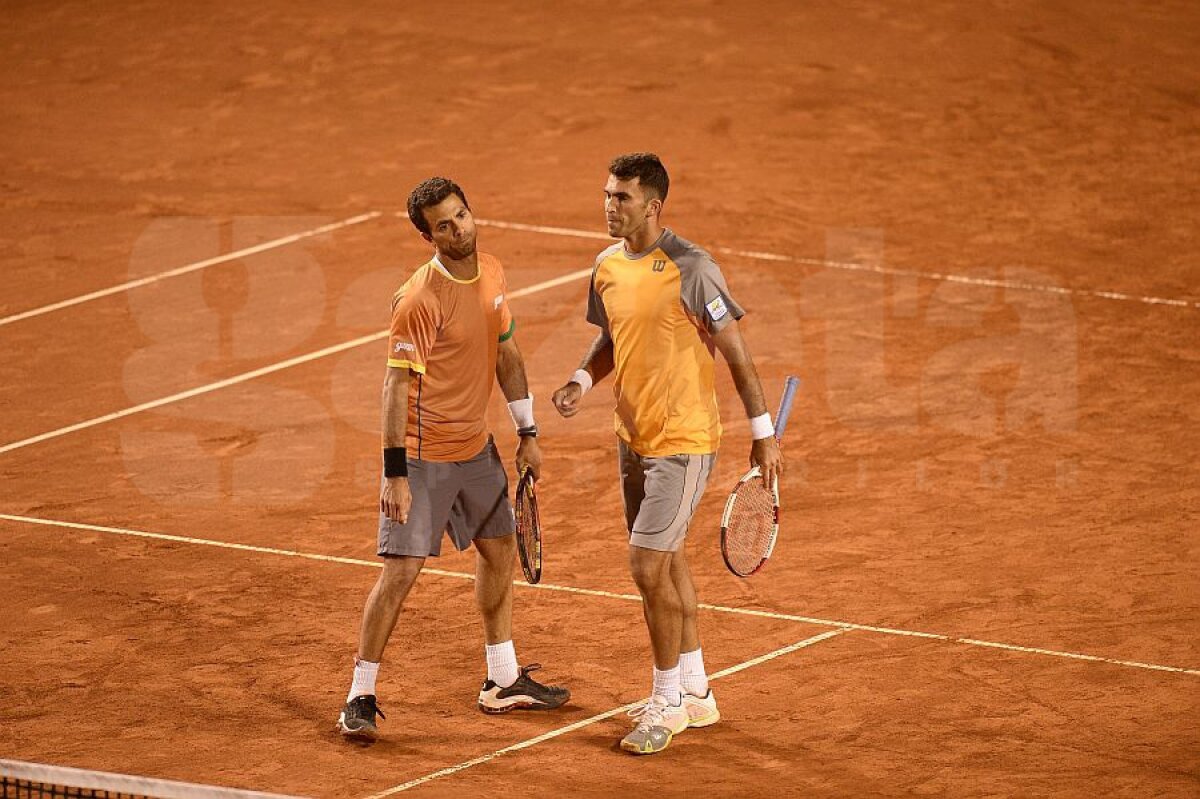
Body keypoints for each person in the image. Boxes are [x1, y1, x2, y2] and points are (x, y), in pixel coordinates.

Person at [552, 153, 783, 755]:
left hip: (684, 443)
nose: (609, 206)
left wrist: (763, 433)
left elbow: (734, 351)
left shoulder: (693, 269)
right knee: (670, 561)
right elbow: (613, 337)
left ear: (653, 207)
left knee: (647, 567)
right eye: (607, 194)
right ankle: (697, 688)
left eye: (622, 198)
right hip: (633, 437)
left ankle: (665, 702)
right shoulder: (605, 266)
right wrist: (581, 378)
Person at [337, 177, 569, 741]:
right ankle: (359, 694)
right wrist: (395, 473)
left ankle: (502, 678)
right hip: (422, 457)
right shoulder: (419, 299)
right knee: (401, 574)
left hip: (476, 449)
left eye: (462, 215)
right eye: (444, 224)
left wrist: (527, 432)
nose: (458, 228)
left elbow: (505, 349)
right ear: (427, 236)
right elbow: (394, 389)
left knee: (499, 551)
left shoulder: (490, 270)